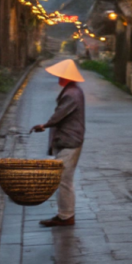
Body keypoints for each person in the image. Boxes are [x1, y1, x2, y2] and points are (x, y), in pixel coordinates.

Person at [32, 59, 86, 228]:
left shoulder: (71, 94)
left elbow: (59, 115)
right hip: (69, 139)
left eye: (60, 76)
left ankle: (66, 215)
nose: (58, 78)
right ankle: (65, 213)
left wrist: (44, 125)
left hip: (70, 140)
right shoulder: (73, 91)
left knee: (64, 179)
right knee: (65, 179)